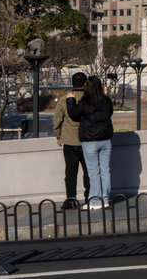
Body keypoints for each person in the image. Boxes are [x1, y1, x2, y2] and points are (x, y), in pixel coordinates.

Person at [67, 76, 114, 209]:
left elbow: (74, 115)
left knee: (93, 172)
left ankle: (95, 201)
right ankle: (105, 199)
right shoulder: (106, 100)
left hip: (90, 141)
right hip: (105, 140)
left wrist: (70, 100)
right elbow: (110, 113)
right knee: (105, 171)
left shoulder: (85, 102)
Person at [53, 72, 90, 210]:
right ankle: (90, 197)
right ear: (85, 83)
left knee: (70, 172)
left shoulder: (64, 100)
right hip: (87, 140)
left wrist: (58, 136)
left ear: (72, 83)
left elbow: (57, 120)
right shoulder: (89, 99)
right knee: (88, 172)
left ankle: (71, 198)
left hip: (69, 141)